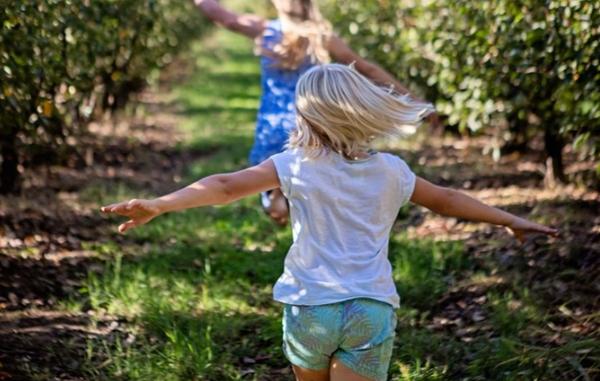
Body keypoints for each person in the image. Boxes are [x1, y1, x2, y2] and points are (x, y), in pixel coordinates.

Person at [102, 64, 558, 381]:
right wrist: (508, 219)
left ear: (306, 116)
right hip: (370, 309)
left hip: (309, 307)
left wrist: (160, 204)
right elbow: (447, 200)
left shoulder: (295, 165)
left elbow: (222, 186)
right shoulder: (392, 171)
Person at [175, 0, 430, 227]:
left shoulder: (265, 30)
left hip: (273, 128)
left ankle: (275, 199)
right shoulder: (320, 36)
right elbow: (365, 67)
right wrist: (412, 98)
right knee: (316, 186)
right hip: (312, 126)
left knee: (272, 176)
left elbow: (221, 15)